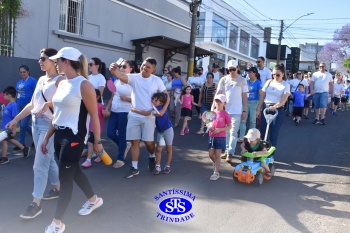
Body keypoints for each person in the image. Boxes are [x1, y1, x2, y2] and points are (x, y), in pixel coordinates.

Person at [42, 47, 103, 233]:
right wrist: (46, 137)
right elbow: (57, 115)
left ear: (66, 62)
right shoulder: (62, 83)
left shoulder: (84, 85)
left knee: (65, 177)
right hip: (59, 135)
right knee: (73, 170)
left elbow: (93, 115)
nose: (55, 64)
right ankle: (94, 200)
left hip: (74, 137)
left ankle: (57, 223)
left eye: (57, 61)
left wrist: (98, 141)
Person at [7, 48, 63, 219]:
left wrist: (50, 105)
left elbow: (65, 105)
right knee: (49, 158)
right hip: (35, 123)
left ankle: (35, 203)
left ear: (54, 60)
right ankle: (58, 189)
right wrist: (16, 119)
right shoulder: (40, 79)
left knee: (39, 164)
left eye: (43, 58)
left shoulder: (61, 80)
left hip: (49, 125)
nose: (39, 61)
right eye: (39, 58)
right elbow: (32, 104)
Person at [109, 57, 169, 178]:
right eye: (143, 65)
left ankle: (152, 155)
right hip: (134, 115)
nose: (145, 68)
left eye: (148, 67)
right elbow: (120, 76)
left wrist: (163, 110)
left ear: (153, 69)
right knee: (134, 142)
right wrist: (113, 70)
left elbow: (166, 96)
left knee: (148, 142)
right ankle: (134, 168)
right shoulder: (133, 77)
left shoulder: (156, 80)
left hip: (149, 117)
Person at [131, 93, 174, 175]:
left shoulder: (160, 109)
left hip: (168, 130)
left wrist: (135, 110)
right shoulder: (153, 107)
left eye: (156, 100)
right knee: (158, 149)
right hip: (160, 131)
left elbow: (157, 113)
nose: (154, 100)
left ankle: (167, 166)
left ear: (161, 103)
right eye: (153, 98)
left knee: (169, 149)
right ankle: (157, 166)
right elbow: (147, 112)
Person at [103, 59, 135, 168]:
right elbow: (113, 96)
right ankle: (124, 146)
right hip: (114, 111)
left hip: (125, 112)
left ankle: (120, 158)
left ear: (131, 69)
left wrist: (127, 99)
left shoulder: (132, 81)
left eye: (124, 66)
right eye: (120, 66)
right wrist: (107, 108)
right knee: (110, 133)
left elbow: (138, 99)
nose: (121, 68)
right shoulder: (116, 81)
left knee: (122, 134)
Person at [217, 60, 248, 163]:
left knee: (233, 132)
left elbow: (244, 96)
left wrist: (244, 110)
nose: (232, 71)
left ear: (237, 68)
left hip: (237, 111)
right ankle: (226, 151)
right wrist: (215, 108)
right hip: (225, 110)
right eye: (229, 70)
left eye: (233, 69)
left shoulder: (242, 80)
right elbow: (218, 93)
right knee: (225, 132)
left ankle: (230, 152)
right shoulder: (223, 80)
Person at [256, 64, 290, 156]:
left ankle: (270, 156)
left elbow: (284, 100)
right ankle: (260, 153)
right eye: (273, 74)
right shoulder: (269, 82)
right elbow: (262, 96)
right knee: (262, 133)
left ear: (283, 74)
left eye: (278, 75)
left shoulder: (286, 85)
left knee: (273, 134)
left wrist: (275, 106)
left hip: (278, 110)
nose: (275, 76)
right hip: (266, 108)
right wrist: (259, 108)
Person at [1, 86, 30, 165]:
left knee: (4, 141)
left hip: (9, 128)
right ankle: (24, 148)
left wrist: (14, 129)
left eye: (4, 95)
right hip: (5, 127)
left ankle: (4, 158)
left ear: (9, 95)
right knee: (10, 140)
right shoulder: (9, 104)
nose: (3, 96)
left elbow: (15, 118)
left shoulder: (14, 105)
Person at [208, 94, 232, 180]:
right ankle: (216, 164)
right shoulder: (212, 112)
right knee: (211, 154)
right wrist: (209, 126)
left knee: (218, 155)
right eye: (216, 100)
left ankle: (216, 172)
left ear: (224, 103)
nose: (217, 102)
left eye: (220, 101)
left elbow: (229, 126)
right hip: (211, 136)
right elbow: (208, 122)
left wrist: (220, 129)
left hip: (220, 137)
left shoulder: (225, 114)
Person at [81, 89, 105, 168]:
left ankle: (88, 160)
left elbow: (104, 115)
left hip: (96, 129)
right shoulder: (88, 105)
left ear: (98, 97)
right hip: (90, 128)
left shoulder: (100, 106)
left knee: (90, 143)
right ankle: (100, 156)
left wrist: (106, 113)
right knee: (96, 143)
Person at [238, 67, 262, 142]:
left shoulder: (258, 82)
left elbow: (261, 95)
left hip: (254, 103)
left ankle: (252, 137)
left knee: (252, 121)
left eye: (250, 72)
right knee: (243, 119)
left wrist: (259, 107)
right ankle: (241, 136)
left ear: (254, 73)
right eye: (248, 72)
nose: (249, 74)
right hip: (245, 102)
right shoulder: (246, 81)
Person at [15, 65, 37, 148]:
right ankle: (21, 143)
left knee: (24, 125)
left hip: (28, 106)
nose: (22, 73)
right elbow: (17, 93)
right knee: (21, 125)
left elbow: (36, 93)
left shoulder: (32, 81)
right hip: (19, 105)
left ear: (28, 72)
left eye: (24, 72)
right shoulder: (19, 82)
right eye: (21, 72)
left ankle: (36, 139)